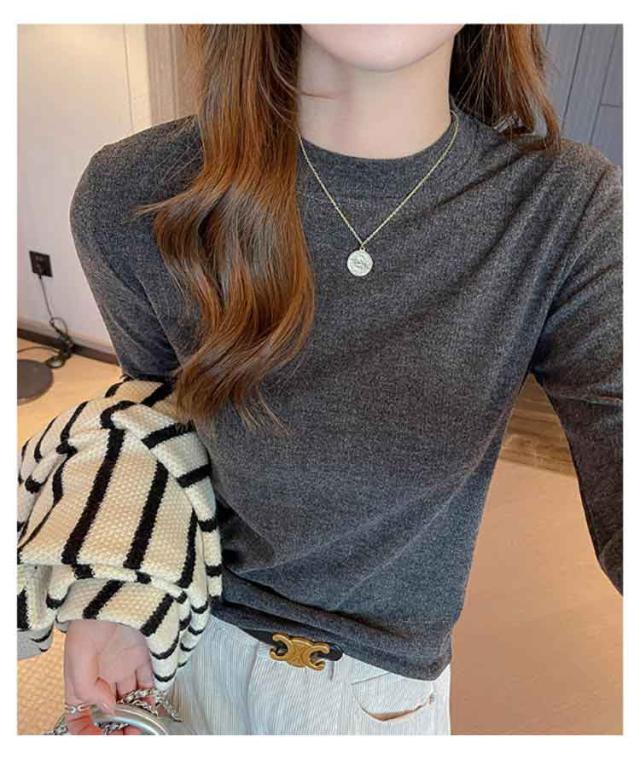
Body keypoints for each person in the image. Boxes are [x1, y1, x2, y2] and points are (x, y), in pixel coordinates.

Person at [61, 24, 622, 735]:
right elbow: (152, 425)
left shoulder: (567, 210)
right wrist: (117, 588)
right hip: (173, 651)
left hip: (378, 699)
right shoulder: (132, 193)